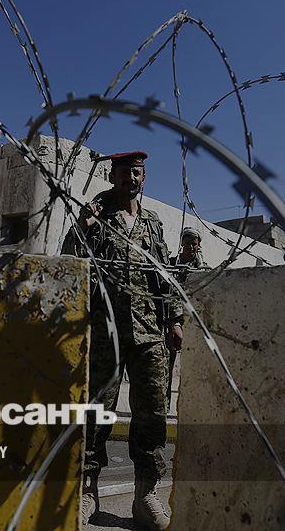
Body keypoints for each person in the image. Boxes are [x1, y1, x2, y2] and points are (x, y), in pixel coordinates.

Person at [61, 151, 182, 530]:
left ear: (144, 178)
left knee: (152, 414)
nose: (131, 177)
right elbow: (70, 257)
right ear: (112, 176)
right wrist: (83, 224)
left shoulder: (152, 222)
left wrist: (175, 318)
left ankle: (146, 493)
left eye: (137, 172)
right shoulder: (97, 218)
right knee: (97, 413)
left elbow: (163, 273)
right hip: (106, 331)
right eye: (124, 171)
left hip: (148, 332)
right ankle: (88, 491)